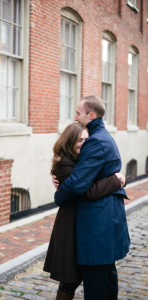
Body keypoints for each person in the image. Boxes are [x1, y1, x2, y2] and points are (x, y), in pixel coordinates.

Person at [43, 122, 126, 300]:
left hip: (82, 222)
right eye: (79, 140)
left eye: (86, 140)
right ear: (69, 141)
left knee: (76, 276)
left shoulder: (80, 162)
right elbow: (89, 191)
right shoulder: (65, 164)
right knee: (69, 278)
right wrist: (116, 179)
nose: (83, 144)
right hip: (71, 224)